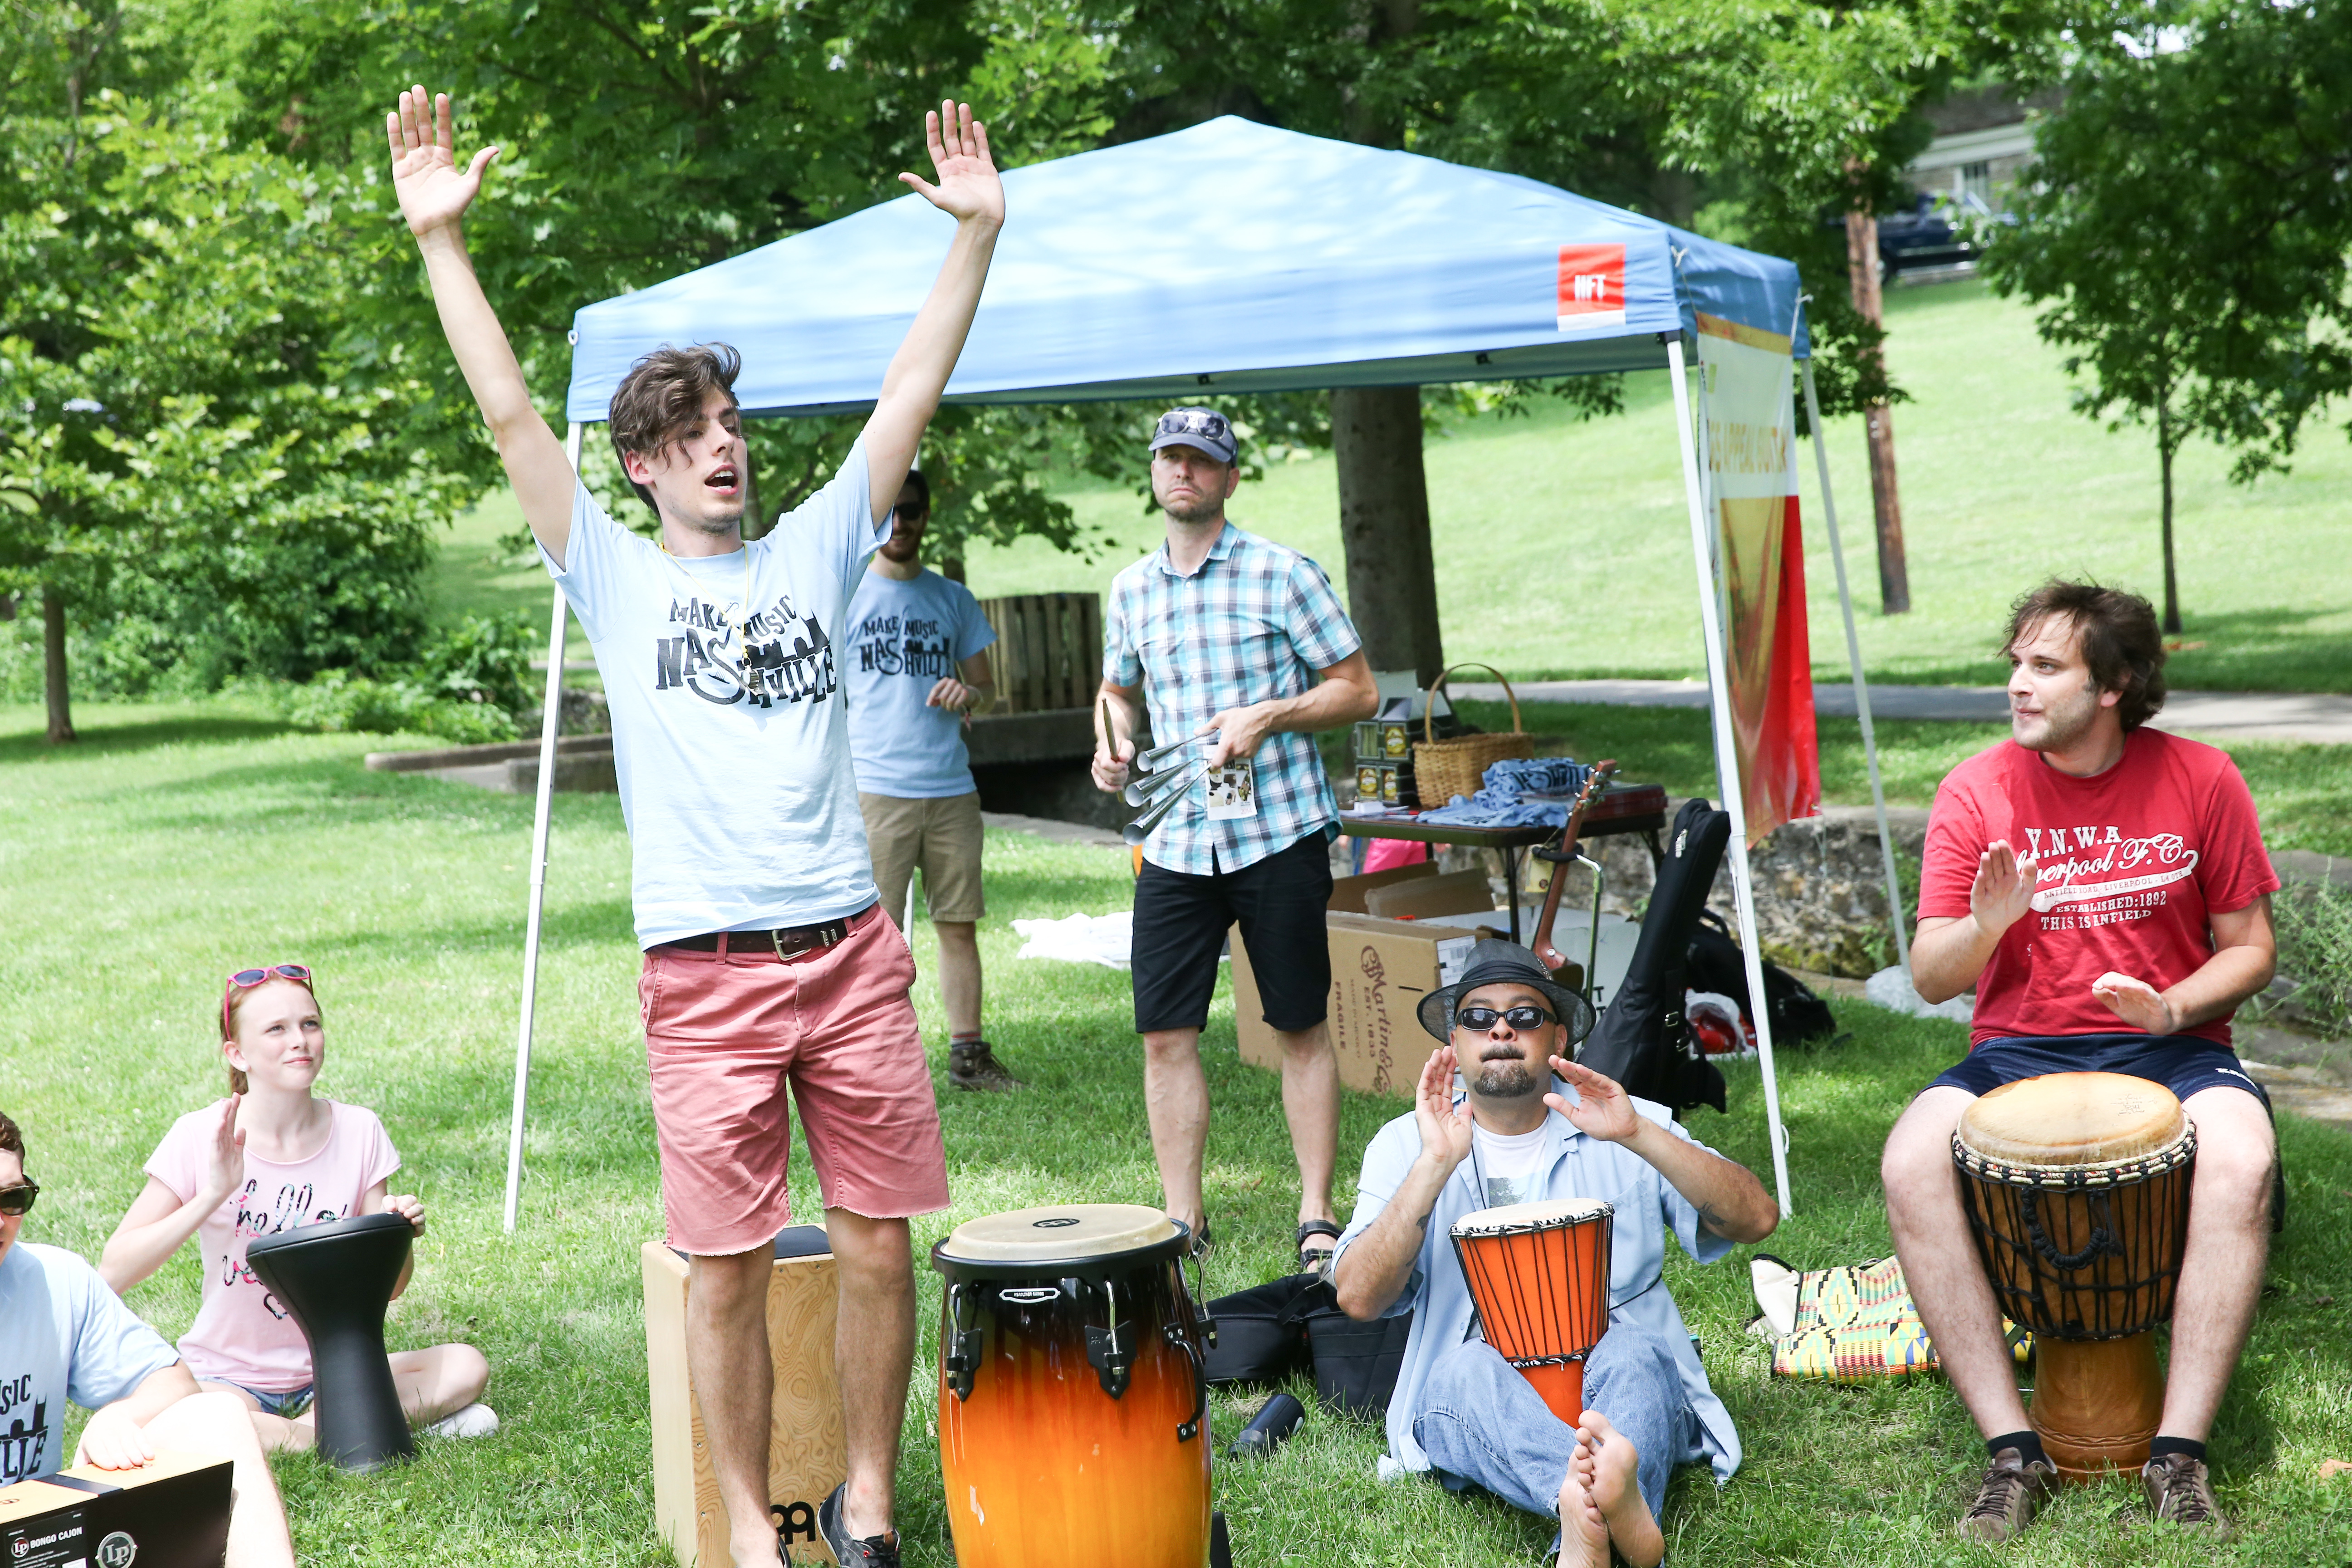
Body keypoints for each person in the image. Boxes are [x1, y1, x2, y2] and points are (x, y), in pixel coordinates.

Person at [387, 83, 1003, 1568]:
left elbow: (912, 382)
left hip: (850, 950)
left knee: (875, 1239)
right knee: (722, 1270)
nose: (724, 444)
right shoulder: (611, 574)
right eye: (691, 431)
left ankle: (863, 1495)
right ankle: (740, 1514)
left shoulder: (818, 545)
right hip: (705, 973)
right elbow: (507, 411)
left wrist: (974, 241)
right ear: (645, 466)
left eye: (730, 422)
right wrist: (441, 245)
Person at [1880, 579, 2280, 1543]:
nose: (2017, 684)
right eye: (2015, 663)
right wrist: (1986, 926)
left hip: (2175, 1048)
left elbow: (2252, 946)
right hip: (2018, 1054)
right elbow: (1934, 978)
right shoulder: (1975, 790)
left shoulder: (2202, 777)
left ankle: (2178, 1458)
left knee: (2246, 1161)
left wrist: (2174, 1004)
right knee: (1907, 1161)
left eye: (2045, 666)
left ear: (2116, 685)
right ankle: (2011, 1452)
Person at [1328, 942, 1777, 1568]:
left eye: (1525, 1016)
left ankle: (1582, 1537)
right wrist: (1433, 1167)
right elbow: (1357, 1296)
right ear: (1455, 1043)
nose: (1502, 1028)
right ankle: (1618, 1517)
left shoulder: (1624, 1120)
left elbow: (1756, 1218)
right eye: (1479, 1017)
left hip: (1618, 1382)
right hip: (1479, 1391)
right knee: (1459, 1373)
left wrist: (1641, 1135)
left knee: (1639, 1351)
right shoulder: (1408, 1143)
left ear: (1558, 1037)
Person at [1090, 406, 1379, 1273]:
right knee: (1164, 1034)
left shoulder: (1283, 576)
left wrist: (1269, 714)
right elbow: (1116, 688)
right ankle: (1183, 1217)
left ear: (1228, 478)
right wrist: (1111, 743)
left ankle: (1315, 1212)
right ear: (1153, 473)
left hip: (1277, 834)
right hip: (1175, 843)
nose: (1183, 472)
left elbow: (1357, 691)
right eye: (1169, 459)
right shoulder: (1131, 588)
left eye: (1201, 461)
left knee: (1296, 1024)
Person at [99, 964, 494, 1450]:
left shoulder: (360, 1130)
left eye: (310, 1024)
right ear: (237, 1054)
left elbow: (389, 1291)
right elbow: (114, 1270)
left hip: (339, 1370)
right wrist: (212, 1194)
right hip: (228, 1381)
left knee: (465, 1366)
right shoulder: (200, 1135)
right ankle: (347, 1429)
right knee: (187, 1415)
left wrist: (397, 1237)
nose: (300, 1041)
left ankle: (303, 1434)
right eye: (277, 1029)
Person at [0, 1109, 297, 1568]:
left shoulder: (55, 1280)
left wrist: (118, 1416)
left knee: (216, 1414)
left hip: (39, 1538)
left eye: (12, 1197)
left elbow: (176, 1383)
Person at [843, 469, 1018, 1092]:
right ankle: (877, 1064)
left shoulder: (952, 599)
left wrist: (969, 692)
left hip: (949, 791)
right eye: (889, 513)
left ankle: (968, 1057)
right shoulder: (847, 594)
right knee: (875, 936)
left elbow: (990, 693)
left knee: (958, 924)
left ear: (926, 515)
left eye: (911, 511)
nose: (900, 525)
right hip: (877, 789)